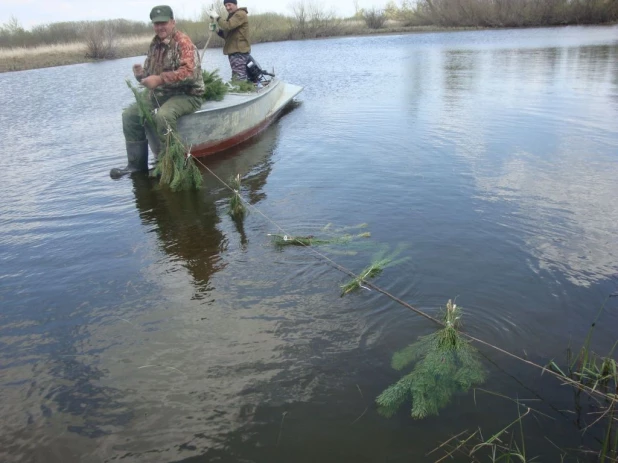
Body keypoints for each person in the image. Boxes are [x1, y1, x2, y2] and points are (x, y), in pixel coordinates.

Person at [110, 5, 205, 179]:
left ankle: (172, 164)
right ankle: (136, 165)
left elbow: (190, 74)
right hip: (162, 93)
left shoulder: (183, 42)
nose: (160, 27)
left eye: (164, 23)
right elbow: (150, 75)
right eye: (156, 24)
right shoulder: (155, 44)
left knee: (163, 115)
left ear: (173, 22)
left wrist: (160, 79)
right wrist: (141, 76)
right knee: (130, 115)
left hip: (188, 94)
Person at [208, 1, 251, 81]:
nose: (227, 8)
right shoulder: (233, 17)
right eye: (225, 6)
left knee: (238, 79)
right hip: (235, 53)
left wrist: (217, 17)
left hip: (239, 53)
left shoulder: (240, 14)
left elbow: (227, 26)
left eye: (229, 5)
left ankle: (241, 92)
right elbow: (227, 35)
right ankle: (242, 90)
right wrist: (216, 30)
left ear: (235, 4)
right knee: (237, 77)